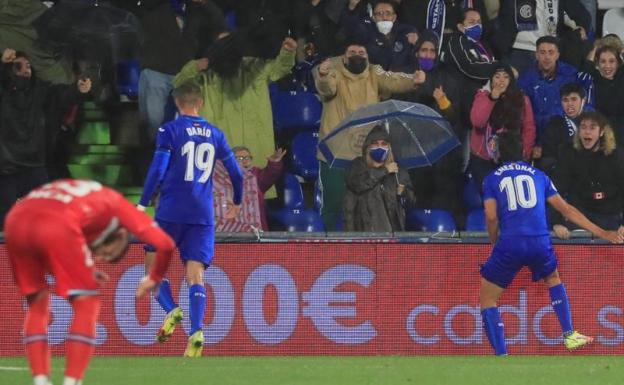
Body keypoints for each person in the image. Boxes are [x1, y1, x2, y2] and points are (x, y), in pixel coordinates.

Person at [5, 179, 175, 385]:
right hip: (54, 222)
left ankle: (41, 380)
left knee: (37, 302)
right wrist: (154, 278)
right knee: (87, 303)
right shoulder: (119, 206)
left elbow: (50, 241)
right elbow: (165, 244)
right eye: (106, 253)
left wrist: (84, 270)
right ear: (120, 236)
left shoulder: (88, 204)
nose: (100, 257)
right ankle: (72, 381)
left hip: (15, 220)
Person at [479, 131, 623, 356]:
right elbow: (566, 210)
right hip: (539, 240)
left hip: (510, 242)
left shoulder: (491, 179)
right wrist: (602, 232)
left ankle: (501, 355)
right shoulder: (539, 175)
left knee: (488, 299)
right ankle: (570, 335)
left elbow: (490, 216)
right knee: (553, 278)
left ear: (499, 154)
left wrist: (494, 241)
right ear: (524, 153)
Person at [138, 81, 244, 357]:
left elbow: (157, 169)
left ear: (176, 102)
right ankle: (197, 330)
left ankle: (172, 310)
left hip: (171, 211)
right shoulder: (216, 134)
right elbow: (237, 174)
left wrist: (141, 203)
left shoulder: (169, 130)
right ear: (202, 103)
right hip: (202, 215)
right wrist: (236, 201)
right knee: (195, 274)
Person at [314, 40, 426, 230]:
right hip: (335, 153)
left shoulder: (375, 71)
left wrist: (412, 80)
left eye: (361, 51)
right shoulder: (333, 68)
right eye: (352, 51)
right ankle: (328, 252)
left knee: (365, 207)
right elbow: (327, 88)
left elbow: (392, 79)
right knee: (333, 207)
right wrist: (323, 75)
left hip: (367, 155)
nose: (357, 54)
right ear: (343, 56)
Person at [0, 48, 92, 230]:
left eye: (28, 65)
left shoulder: (40, 91)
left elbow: (62, 95)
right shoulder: (3, 93)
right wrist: (2, 64)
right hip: (7, 167)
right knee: (5, 224)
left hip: (35, 165)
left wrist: (78, 90)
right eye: (19, 65)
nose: (26, 69)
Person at [550, 111, 624, 239]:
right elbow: (556, 189)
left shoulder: (616, 155)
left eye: (592, 127)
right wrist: (556, 222)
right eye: (583, 127)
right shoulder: (568, 153)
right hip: (580, 216)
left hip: (610, 215)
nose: (587, 132)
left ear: (601, 132)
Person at [517, 36, 592, 147]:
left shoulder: (571, 75)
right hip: (535, 137)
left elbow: (585, 107)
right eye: (542, 52)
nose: (547, 57)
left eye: (551, 52)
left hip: (565, 137)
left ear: (557, 54)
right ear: (536, 54)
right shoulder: (525, 79)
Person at [469, 63, 535, 190]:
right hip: (483, 159)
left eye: (505, 77)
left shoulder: (521, 99)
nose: (501, 81)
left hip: (511, 158)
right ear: (491, 79)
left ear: (511, 80)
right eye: (497, 76)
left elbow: (529, 127)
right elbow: (478, 121)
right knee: (488, 199)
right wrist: (492, 98)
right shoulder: (482, 96)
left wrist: (525, 152)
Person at [344, 125, 415, 231]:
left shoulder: (397, 172)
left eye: (384, 144)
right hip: (362, 234)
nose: (380, 147)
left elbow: (411, 204)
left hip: (392, 237)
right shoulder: (357, 165)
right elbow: (357, 185)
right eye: (375, 143)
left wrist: (402, 194)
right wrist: (384, 171)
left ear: (389, 147)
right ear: (368, 146)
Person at [213, 146, 286, 232]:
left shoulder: (256, 176)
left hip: (255, 234)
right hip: (228, 232)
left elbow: (270, 175)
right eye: (239, 158)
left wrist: (274, 163)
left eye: (247, 158)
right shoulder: (218, 178)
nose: (244, 160)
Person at [341, 0, 419, 71]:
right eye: (379, 14)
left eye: (388, 13)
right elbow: (350, 27)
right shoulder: (366, 32)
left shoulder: (406, 32)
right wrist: (351, 7)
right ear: (373, 18)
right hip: (374, 79)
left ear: (394, 17)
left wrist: (416, 41)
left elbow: (414, 60)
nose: (384, 17)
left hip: (400, 79)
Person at [538, 82, 591, 174]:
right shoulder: (554, 125)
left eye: (574, 99)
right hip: (564, 176)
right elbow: (548, 159)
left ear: (583, 100)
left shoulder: (593, 123)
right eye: (565, 100)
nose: (569, 104)